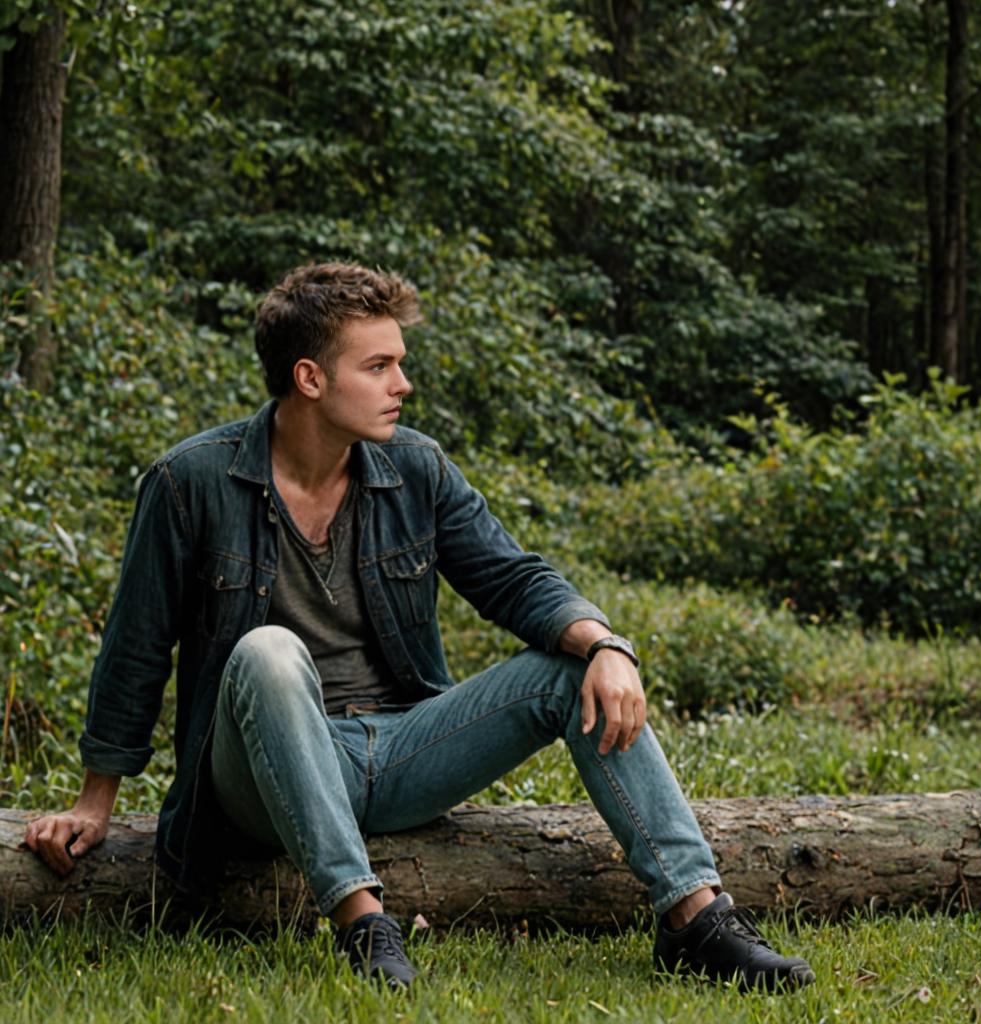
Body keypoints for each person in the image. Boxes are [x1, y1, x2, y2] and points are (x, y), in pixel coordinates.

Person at [25, 262, 813, 992]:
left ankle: (696, 918)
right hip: (258, 773)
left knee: (573, 667)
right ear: (309, 377)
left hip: (399, 748)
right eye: (379, 367)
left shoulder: (417, 467)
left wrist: (605, 643)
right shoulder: (189, 481)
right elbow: (135, 647)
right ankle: (363, 925)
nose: (402, 384)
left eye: (399, 362)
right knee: (267, 651)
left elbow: (513, 576)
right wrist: (96, 802)